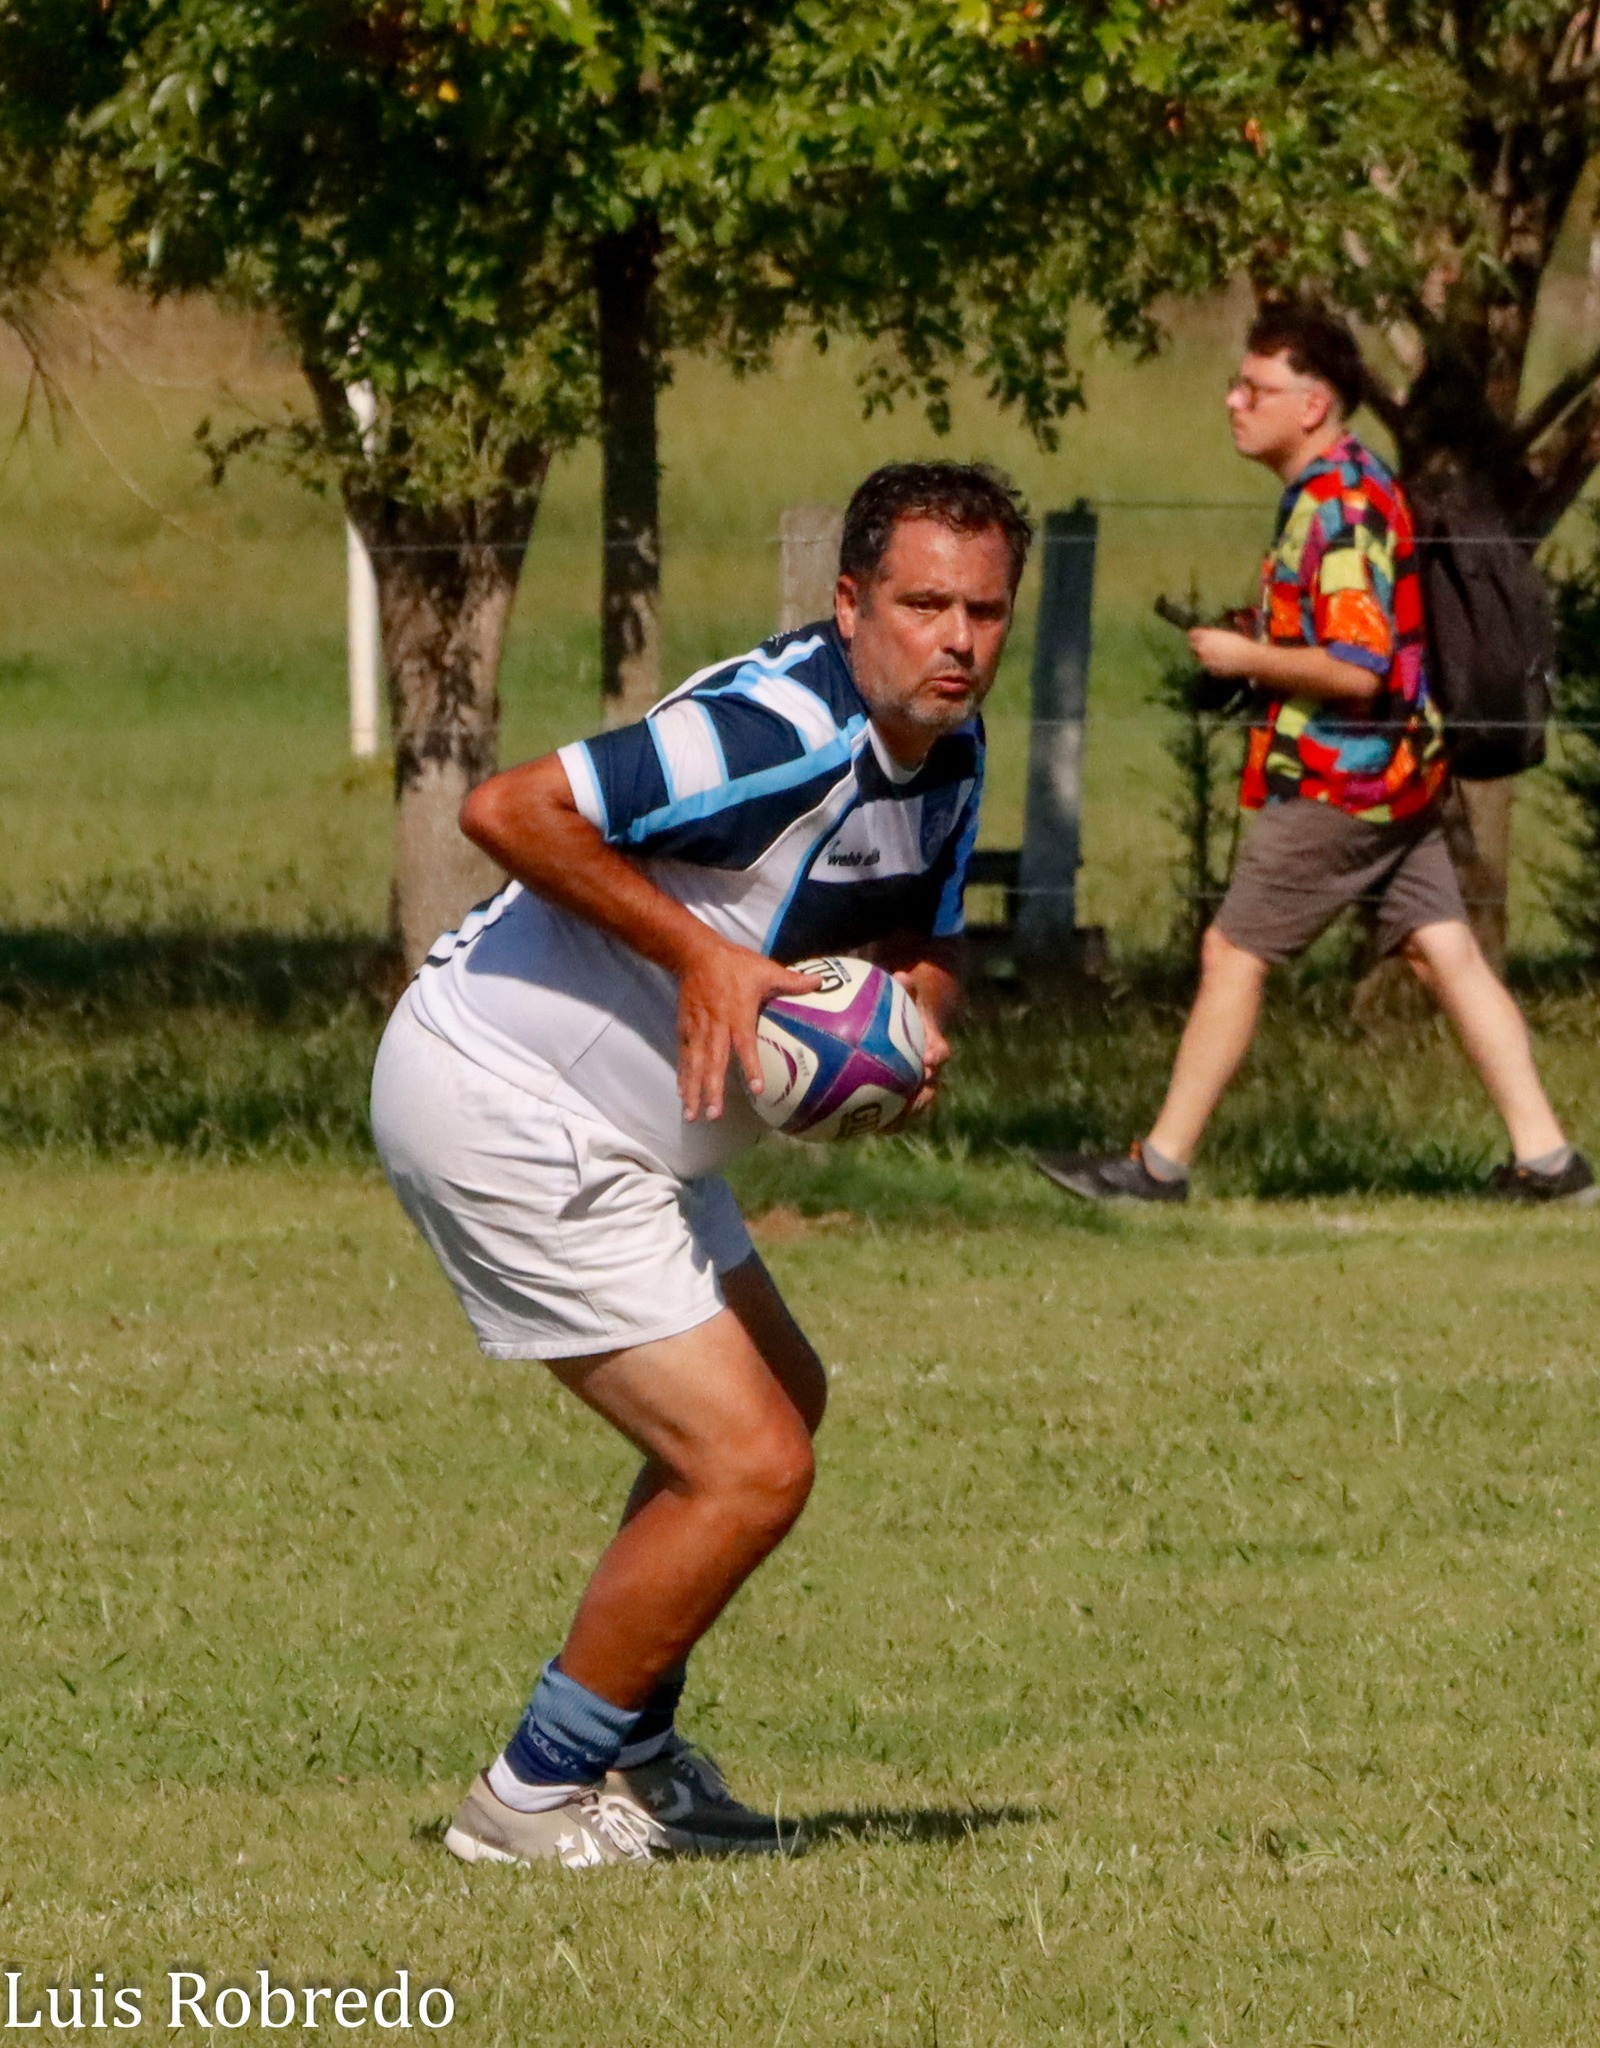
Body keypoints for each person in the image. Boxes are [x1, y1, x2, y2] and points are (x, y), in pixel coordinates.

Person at [370, 461, 1031, 1868]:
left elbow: (930, 942)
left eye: (983, 609)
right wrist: (705, 957)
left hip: (623, 1130)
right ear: (850, 603)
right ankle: (528, 1801)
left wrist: (913, 1033)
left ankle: (634, 1749)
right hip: (507, 1102)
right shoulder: (770, 730)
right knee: (748, 1464)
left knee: (784, 1399)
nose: (958, 639)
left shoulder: (949, 750)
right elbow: (507, 810)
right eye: (923, 604)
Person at [1038, 304, 1593, 1206]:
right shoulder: (1348, 488)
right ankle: (1551, 1162)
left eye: (1255, 387)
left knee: (1231, 952)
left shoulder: (1337, 506)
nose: (1233, 401)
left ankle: (1158, 1165)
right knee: (1442, 952)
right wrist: (1262, 634)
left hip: (1344, 778)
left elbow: (1359, 667)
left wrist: (1244, 658)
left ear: (1315, 405)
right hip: (1398, 773)